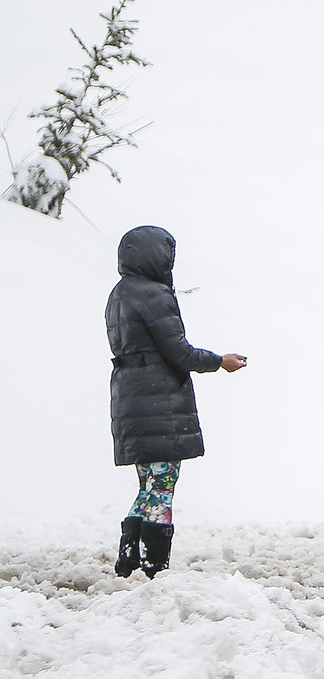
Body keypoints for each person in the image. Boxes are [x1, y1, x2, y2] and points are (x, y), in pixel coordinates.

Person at [105, 225, 247, 578]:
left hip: (130, 400)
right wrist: (219, 361)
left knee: (149, 485)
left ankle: (129, 562)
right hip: (159, 403)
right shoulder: (154, 295)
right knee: (163, 484)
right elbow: (178, 353)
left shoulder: (118, 294)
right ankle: (154, 567)